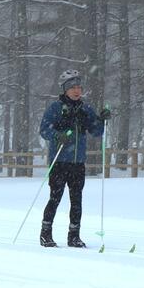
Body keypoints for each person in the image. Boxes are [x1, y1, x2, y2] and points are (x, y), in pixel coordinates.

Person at [37, 69, 109, 248]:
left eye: (79, 87)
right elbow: (44, 130)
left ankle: (74, 236)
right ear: (65, 89)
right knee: (55, 197)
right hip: (59, 161)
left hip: (78, 162)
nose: (77, 90)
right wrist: (58, 135)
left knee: (76, 199)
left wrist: (101, 119)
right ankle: (46, 234)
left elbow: (96, 131)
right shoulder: (55, 108)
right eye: (73, 87)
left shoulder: (85, 109)